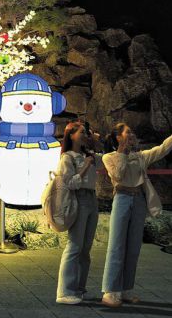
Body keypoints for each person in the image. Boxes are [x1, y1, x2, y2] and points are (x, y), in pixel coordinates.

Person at [101, 122, 172, 307]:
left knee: (134, 247)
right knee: (116, 245)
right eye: (128, 132)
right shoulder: (109, 157)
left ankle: (125, 289)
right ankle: (110, 291)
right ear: (118, 137)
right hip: (122, 199)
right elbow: (118, 174)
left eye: (132, 132)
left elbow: (162, 149)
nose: (132, 135)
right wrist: (122, 152)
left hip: (139, 200)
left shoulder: (140, 156)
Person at [56, 121, 103, 304]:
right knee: (75, 245)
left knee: (85, 249)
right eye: (82, 132)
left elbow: (105, 160)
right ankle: (64, 291)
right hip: (79, 199)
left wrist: (95, 143)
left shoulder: (88, 155)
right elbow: (70, 183)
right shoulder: (67, 157)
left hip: (91, 199)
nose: (85, 135)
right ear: (71, 135)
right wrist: (85, 167)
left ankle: (79, 289)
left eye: (86, 132)